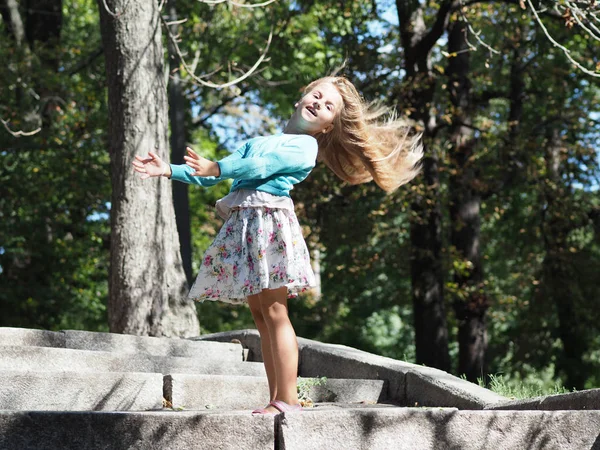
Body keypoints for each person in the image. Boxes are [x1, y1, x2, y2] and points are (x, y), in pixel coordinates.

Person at [132, 76, 424, 415]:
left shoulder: (305, 147)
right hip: (246, 225)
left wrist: (218, 166)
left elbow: (260, 167)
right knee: (260, 314)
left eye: (328, 106)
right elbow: (213, 174)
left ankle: (287, 399)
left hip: (268, 225)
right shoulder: (261, 139)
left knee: (274, 311)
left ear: (329, 126)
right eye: (317, 95)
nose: (319, 103)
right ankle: (276, 398)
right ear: (302, 97)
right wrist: (169, 169)